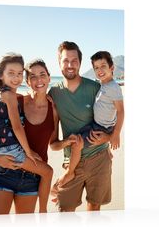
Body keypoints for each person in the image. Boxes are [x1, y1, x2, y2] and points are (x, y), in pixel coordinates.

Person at [0, 54, 53, 213]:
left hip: (16, 162)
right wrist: (28, 152)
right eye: (11, 73)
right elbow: (17, 127)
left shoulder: (4, 95)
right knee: (48, 172)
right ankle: (43, 212)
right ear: (0, 75)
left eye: (19, 73)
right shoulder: (10, 96)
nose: (16, 77)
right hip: (9, 155)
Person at [49, 41, 114, 211]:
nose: (70, 65)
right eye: (65, 60)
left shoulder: (94, 88)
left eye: (74, 60)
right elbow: (53, 143)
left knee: (94, 209)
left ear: (80, 62)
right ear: (59, 62)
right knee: (65, 212)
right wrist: (66, 143)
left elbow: (110, 118)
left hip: (99, 158)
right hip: (71, 163)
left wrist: (108, 137)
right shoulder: (53, 94)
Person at [54, 50, 124, 187]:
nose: (100, 70)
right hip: (95, 124)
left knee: (76, 144)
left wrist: (115, 134)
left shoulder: (113, 87)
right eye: (96, 68)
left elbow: (121, 111)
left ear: (112, 68)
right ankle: (107, 152)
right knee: (76, 136)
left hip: (100, 127)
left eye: (103, 66)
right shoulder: (103, 85)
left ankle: (70, 173)